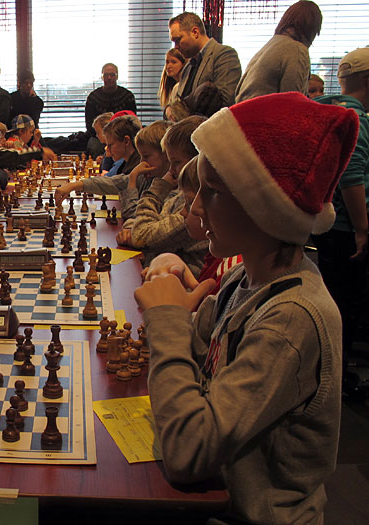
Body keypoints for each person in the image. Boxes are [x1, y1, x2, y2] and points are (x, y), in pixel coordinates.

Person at [134, 92, 358, 524]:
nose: (195, 207)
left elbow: (188, 451)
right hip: (216, 498)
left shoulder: (291, 319)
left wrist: (167, 319)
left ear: (264, 209)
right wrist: (180, 311)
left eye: (212, 191)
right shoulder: (242, 279)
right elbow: (198, 354)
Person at [312, 47, 369, 399]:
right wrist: (362, 228)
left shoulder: (327, 111)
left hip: (325, 224)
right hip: (347, 228)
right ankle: (336, 383)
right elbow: (352, 175)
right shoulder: (356, 119)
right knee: (343, 307)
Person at [117, 120, 208, 276]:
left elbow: (141, 235)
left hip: (178, 285)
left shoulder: (194, 208)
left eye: (176, 162)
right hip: (157, 274)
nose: (171, 171)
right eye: (169, 162)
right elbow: (141, 222)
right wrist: (134, 226)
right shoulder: (177, 195)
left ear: (198, 160)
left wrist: (159, 188)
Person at [142, 157, 242, 297]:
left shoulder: (230, 270)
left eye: (188, 202)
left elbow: (141, 235)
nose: (192, 209)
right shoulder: (216, 255)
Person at [55, 116, 142, 220]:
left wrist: (74, 185)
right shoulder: (129, 163)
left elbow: (132, 214)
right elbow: (113, 182)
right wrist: (74, 185)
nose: (107, 149)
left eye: (110, 145)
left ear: (126, 141)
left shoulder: (139, 166)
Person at [235, 1, 322, 103]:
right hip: (263, 116)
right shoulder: (297, 50)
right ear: (312, 28)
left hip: (244, 114)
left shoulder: (271, 45)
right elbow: (293, 104)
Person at [169, 12, 241, 107]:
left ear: (195, 32)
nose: (176, 47)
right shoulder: (188, 67)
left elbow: (225, 103)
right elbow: (178, 103)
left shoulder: (224, 55)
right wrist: (168, 110)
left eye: (178, 40)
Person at [84, 63, 137, 157]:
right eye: (106, 75)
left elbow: (132, 121)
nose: (109, 77)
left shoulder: (128, 96)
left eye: (112, 75)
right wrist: (104, 136)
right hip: (98, 136)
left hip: (121, 136)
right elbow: (89, 125)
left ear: (117, 76)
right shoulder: (93, 98)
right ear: (102, 77)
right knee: (94, 147)